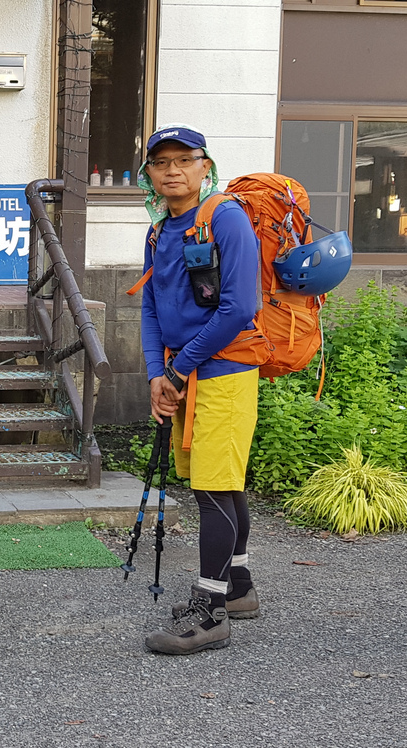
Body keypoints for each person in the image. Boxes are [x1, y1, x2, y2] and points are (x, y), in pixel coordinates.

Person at [135, 124, 261, 655]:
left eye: (183, 160)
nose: (172, 170)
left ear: (205, 165)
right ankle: (238, 588)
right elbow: (149, 304)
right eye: (160, 162)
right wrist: (153, 374)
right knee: (224, 483)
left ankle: (209, 614)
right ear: (150, 174)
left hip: (225, 372)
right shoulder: (160, 230)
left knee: (212, 488)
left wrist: (179, 369)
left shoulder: (226, 218)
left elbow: (239, 307)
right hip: (185, 373)